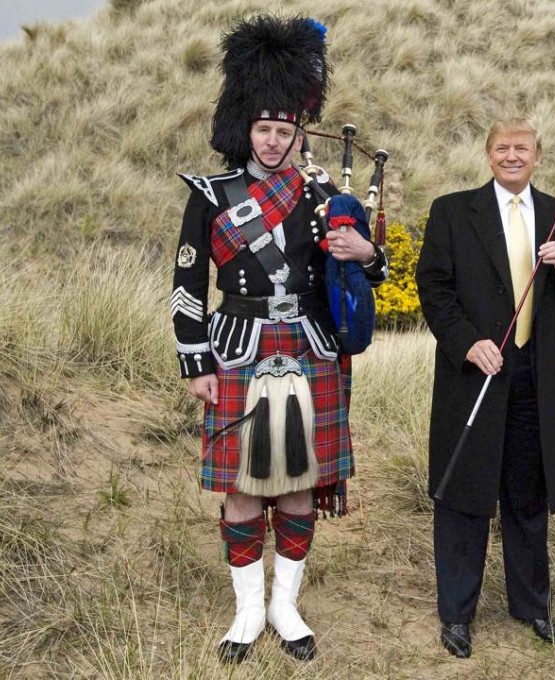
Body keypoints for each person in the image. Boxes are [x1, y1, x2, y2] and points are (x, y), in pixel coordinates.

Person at [170, 15, 387, 664]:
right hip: (236, 344)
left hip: (310, 347)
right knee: (241, 486)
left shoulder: (323, 194)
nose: (272, 140)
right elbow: (185, 282)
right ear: (247, 129)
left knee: (298, 483)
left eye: (283, 130)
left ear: (299, 132)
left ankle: (285, 606)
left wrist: (366, 251)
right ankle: (246, 612)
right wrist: (195, 361)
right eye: (263, 129)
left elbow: (359, 272)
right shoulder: (211, 195)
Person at [415, 119, 555, 658]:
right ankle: (456, 616)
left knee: (527, 492)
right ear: (488, 155)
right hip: (473, 372)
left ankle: (532, 607)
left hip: (534, 377)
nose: (511, 156)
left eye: (522, 148)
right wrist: (468, 342)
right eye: (502, 148)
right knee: (465, 494)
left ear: (537, 156)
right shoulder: (451, 211)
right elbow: (433, 286)